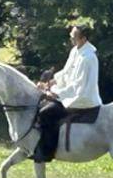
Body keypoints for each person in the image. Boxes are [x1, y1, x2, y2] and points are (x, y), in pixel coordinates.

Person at [33, 24, 102, 162]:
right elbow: (66, 73)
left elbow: (78, 85)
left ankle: (47, 152)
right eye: (71, 35)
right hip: (71, 94)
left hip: (82, 99)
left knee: (46, 113)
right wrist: (51, 83)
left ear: (83, 38)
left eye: (74, 36)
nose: (71, 38)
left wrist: (56, 93)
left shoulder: (88, 58)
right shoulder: (75, 51)